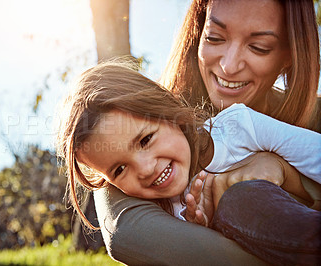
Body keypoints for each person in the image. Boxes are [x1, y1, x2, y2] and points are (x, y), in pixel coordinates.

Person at [90, 0, 321, 265]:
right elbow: (129, 236)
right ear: (197, 35)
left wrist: (282, 171)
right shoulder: (131, 126)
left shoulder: (284, 120)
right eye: (214, 37)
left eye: (259, 47)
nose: (229, 66)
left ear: (290, 56)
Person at [58, 62, 321, 265]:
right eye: (120, 169)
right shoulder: (160, 220)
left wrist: (275, 172)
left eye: (146, 140)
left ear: (168, 112)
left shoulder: (239, 129)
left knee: (239, 198)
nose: (146, 169)